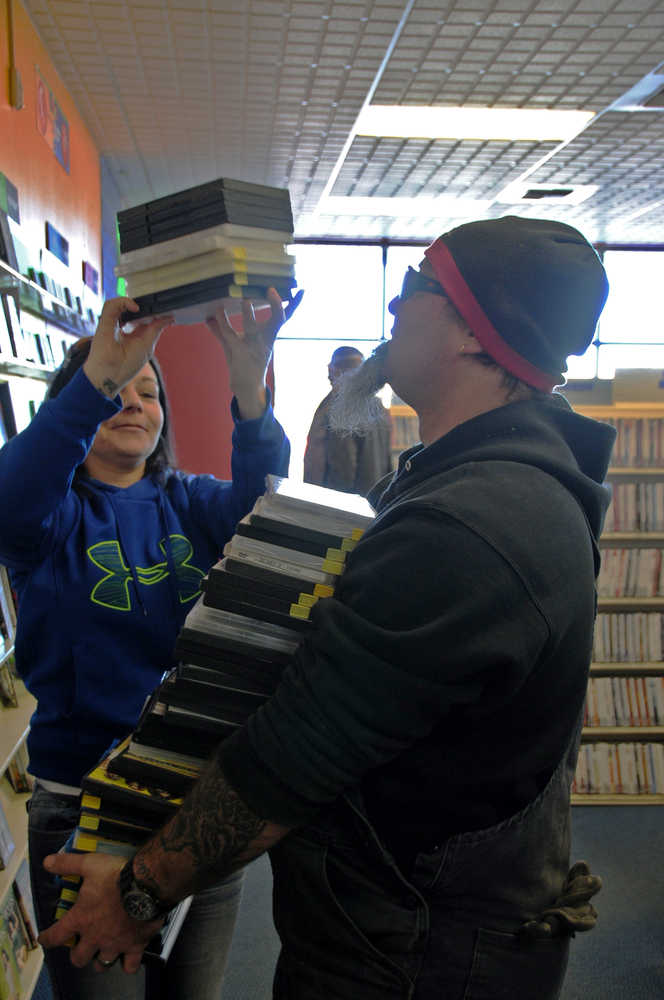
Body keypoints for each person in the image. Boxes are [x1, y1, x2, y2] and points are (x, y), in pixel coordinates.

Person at [40, 216, 616, 1000]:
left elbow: (294, 754)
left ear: (474, 334)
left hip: (415, 958)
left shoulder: (474, 519)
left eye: (417, 286)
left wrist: (140, 891)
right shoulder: (461, 480)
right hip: (387, 928)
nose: (394, 308)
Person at [0, 290, 292, 1000]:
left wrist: (249, 383)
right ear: (78, 409)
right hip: (86, 814)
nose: (134, 403)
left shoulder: (189, 502)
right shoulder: (48, 520)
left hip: (197, 809)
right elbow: (13, 491)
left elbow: (269, 506)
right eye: (113, 390)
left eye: (149, 391)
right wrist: (99, 373)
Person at [303, 346, 392, 495]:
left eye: (330, 368)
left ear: (336, 370)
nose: (328, 375)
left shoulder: (340, 406)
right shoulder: (378, 407)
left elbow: (343, 467)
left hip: (341, 508)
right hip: (375, 502)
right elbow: (387, 463)